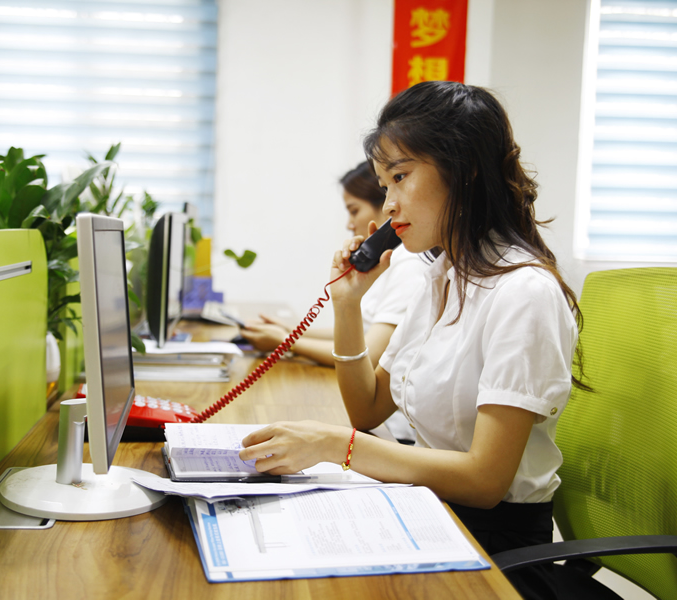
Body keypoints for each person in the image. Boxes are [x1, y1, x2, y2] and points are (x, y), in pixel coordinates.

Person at [238, 81, 587, 600]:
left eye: (400, 177)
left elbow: (485, 481)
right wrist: (348, 305)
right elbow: (367, 409)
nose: (389, 205)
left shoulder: (523, 293)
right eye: (384, 185)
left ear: (464, 169)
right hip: (432, 516)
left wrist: (335, 446)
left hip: (496, 556)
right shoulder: (442, 278)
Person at [240, 162, 427, 371]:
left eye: (354, 211)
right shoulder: (386, 262)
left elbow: (369, 354)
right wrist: (289, 330)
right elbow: (360, 333)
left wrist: (285, 342)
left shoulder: (409, 264)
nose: (349, 224)